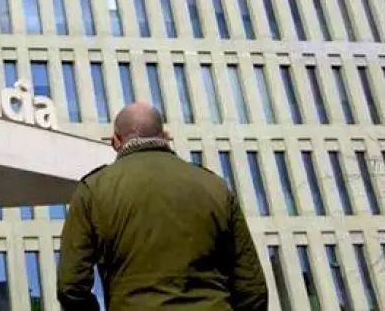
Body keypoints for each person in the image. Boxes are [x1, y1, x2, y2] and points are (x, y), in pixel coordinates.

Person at [56, 101, 269, 310]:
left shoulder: (93, 190)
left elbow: (71, 286)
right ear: (165, 136)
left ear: (116, 141)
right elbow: (252, 287)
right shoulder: (215, 186)